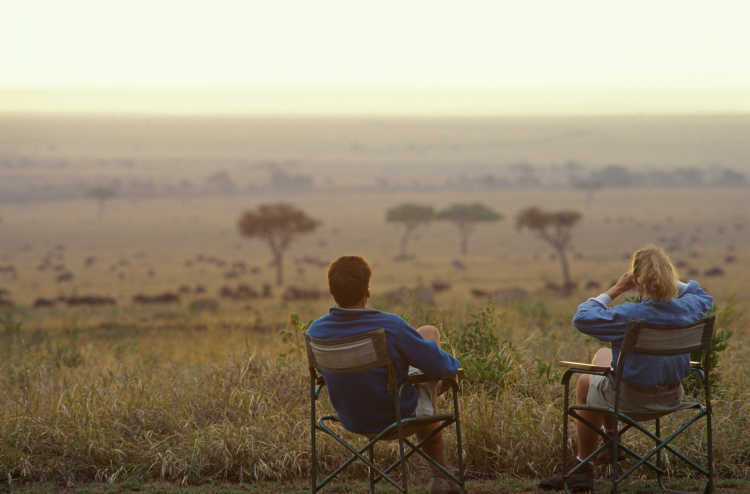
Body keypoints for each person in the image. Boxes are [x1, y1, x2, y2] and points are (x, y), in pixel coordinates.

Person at [540, 245, 713, 492]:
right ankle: (612, 439)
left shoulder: (630, 314)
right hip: (673, 397)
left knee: (584, 382)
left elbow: (582, 317)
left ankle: (582, 468)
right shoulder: (688, 308)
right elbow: (703, 295)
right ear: (667, 275)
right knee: (603, 357)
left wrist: (616, 289)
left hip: (628, 400)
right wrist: (668, 280)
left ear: (637, 280)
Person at [308, 255, 462, 494]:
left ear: (331, 291)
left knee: (421, 352)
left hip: (351, 418)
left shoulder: (316, 331)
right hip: (396, 417)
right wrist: (452, 370)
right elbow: (442, 366)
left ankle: (440, 474)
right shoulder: (390, 326)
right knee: (429, 335)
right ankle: (440, 477)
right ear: (367, 291)